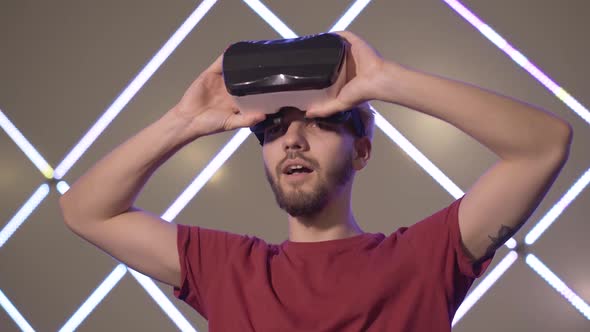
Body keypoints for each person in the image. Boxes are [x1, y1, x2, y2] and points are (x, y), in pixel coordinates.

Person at [59, 31, 572, 331]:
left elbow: (543, 145)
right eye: (274, 128)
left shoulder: (423, 260)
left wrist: (387, 81)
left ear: (363, 150)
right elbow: (85, 210)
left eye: (322, 122)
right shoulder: (228, 269)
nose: (293, 140)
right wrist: (185, 120)